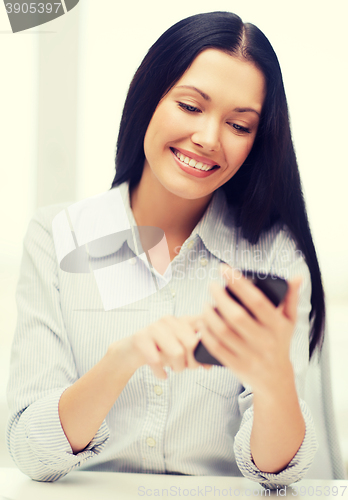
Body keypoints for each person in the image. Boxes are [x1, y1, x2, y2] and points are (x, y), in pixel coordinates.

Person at [7, 11, 325, 488]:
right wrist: (124, 358)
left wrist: (274, 375)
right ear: (149, 98)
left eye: (239, 125)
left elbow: (277, 474)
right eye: (191, 106)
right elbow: (32, 451)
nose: (209, 138)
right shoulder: (58, 235)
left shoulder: (273, 254)